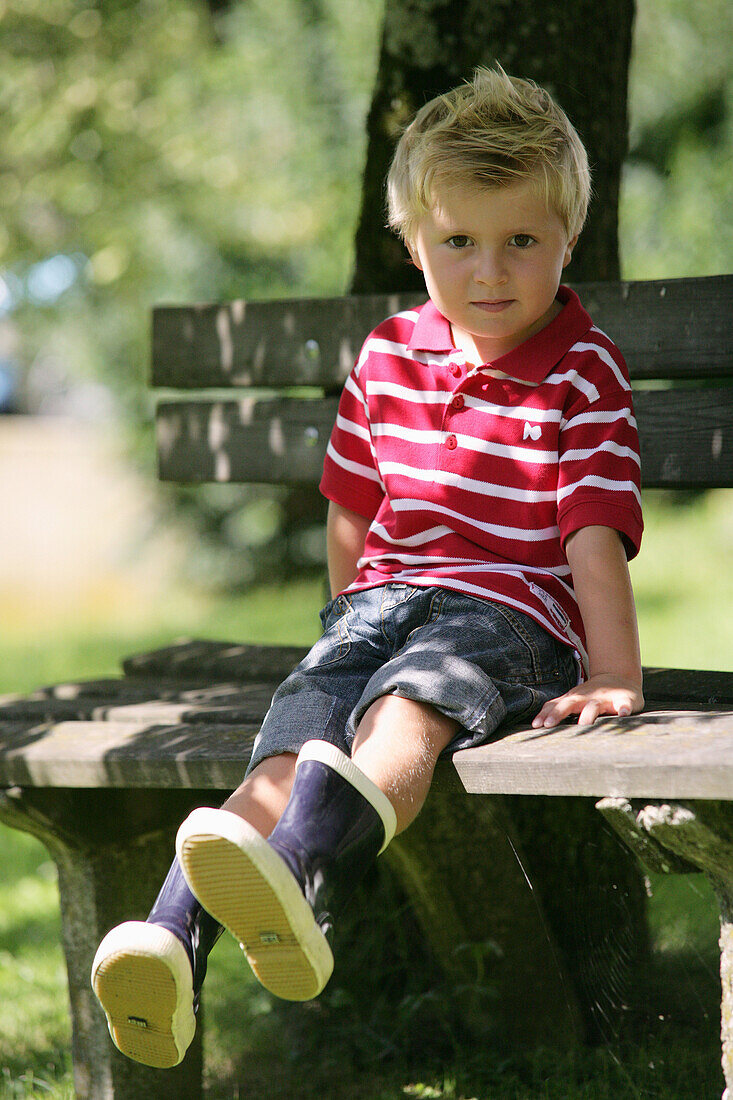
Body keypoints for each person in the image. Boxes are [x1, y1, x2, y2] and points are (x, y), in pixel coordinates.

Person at [91, 65, 644, 1069]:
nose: (489, 271)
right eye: (459, 242)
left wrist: (612, 673)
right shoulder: (390, 354)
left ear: (567, 239)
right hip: (376, 603)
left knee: (409, 711)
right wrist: (343, 623)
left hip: (507, 613)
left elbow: (590, 535)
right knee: (285, 746)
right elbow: (352, 510)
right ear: (413, 242)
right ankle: (168, 938)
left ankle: (297, 864)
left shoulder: (581, 366)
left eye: (521, 240)